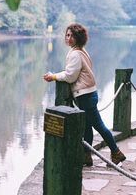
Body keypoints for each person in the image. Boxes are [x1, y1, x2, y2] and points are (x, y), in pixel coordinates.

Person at [43, 23, 126, 166]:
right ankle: (86, 157)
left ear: (78, 38)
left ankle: (116, 152)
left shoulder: (75, 54)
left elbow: (70, 76)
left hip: (85, 96)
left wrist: (54, 76)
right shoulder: (80, 51)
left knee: (99, 126)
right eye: (67, 35)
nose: (69, 38)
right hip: (87, 94)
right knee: (87, 127)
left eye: (72, 36)